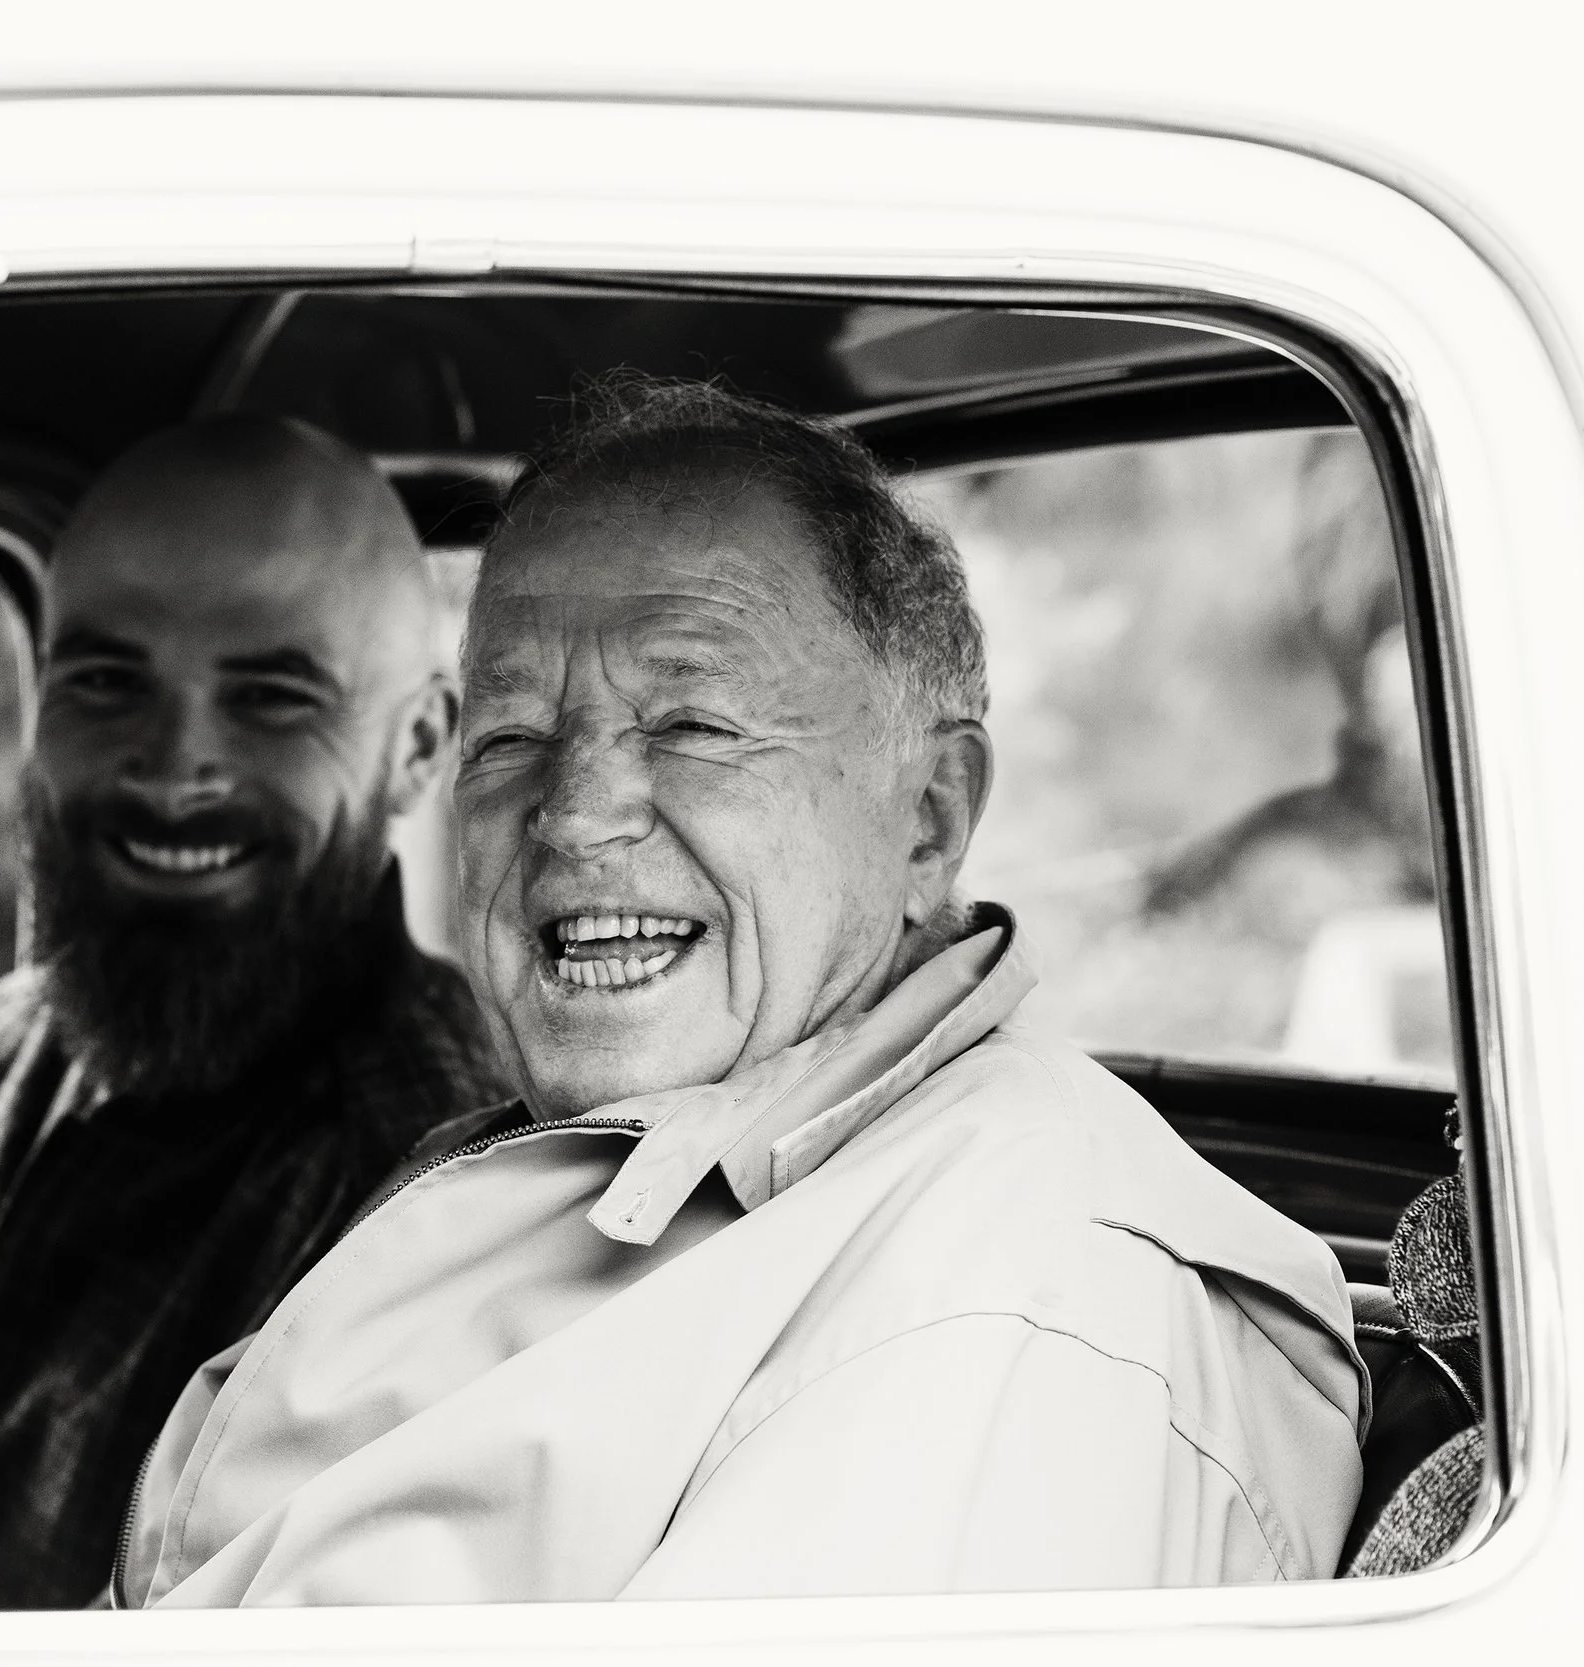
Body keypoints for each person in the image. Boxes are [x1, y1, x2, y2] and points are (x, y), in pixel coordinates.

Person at [115, 378, 1367, 1607]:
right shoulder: (645, 1148)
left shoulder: (1010, 1309)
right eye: (509, 735)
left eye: (693, 724)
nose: (574, 811)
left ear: (927, 818)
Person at [0, 413, 514, 1609]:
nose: (173, 766)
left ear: (416, 747)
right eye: (105, 681)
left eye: (270, 697)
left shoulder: (429, 1181)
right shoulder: (0, 1052)